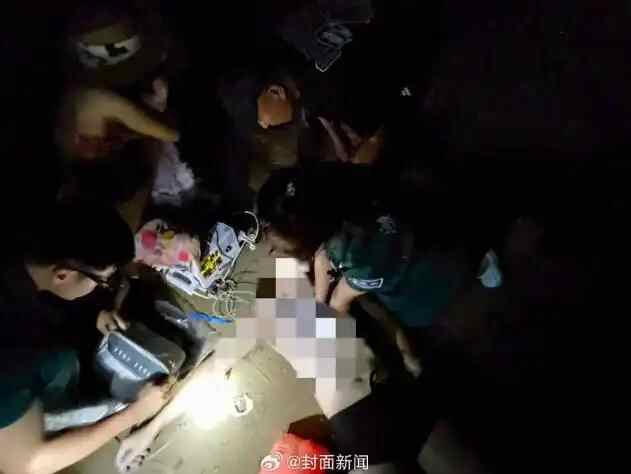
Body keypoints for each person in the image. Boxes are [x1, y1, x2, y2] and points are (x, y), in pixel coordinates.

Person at [0, 203, 170, 474]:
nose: (100, 288)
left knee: (63, 359)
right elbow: (27, 464)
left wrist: (94, 313)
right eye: (101, 281)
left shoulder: (18, 244)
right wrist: (135, 413)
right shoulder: (14, 350)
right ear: (62, 274)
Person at [256, 163, 474, 375]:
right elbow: (323, 255)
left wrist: (320, 330)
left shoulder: (360, 257)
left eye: (277, 248)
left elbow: (339, 300)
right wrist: (318, 301)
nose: (273, 251)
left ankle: (409, 351)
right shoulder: (331, 185)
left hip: (431, 277)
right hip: (424, 222)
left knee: (379, 308)